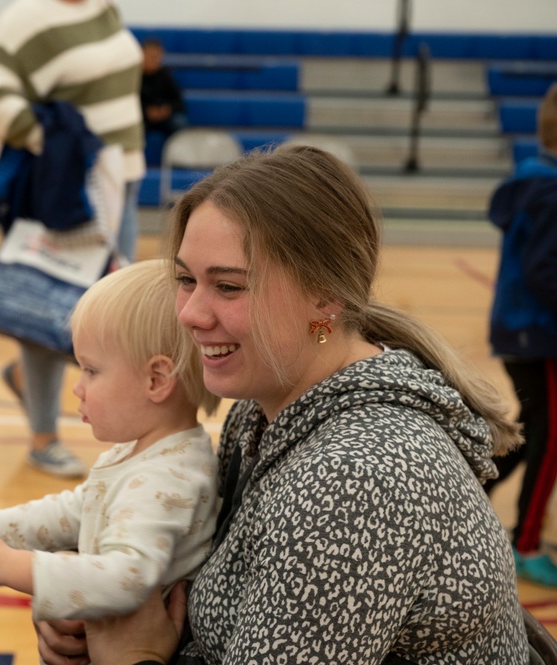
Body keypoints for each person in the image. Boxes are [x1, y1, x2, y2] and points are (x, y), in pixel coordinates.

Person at [38, 146, 530, 664]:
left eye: (227, 286)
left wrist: (132, 657)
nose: (189, 314)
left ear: (325, 298)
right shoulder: (260, 409)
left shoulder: (356, 481)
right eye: (185, 280)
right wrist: (98, 610)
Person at [0, 259, 221, 620]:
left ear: (157, 380)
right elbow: (73, 511)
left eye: (92, 371)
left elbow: (127, 579)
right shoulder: (148, 453)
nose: (77, 388)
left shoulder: (165, 478)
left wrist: (10, 566)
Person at [0, 0, 145, 478]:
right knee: (51, 308)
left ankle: (26, 379)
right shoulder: (26, 18)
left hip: (121, 180)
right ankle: (42, 437)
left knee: (111, 310)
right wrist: (57, 151)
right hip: (70, 192)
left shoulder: (104, 8)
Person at [482, 82, 557, 588]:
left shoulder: (533, 180)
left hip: (520, 331)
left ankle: (464, 492)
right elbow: (544, 270)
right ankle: (525, 544)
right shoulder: (551, 191)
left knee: (531, 429)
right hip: (541, 334)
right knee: (550, 438)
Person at [140, 38, 186, 138]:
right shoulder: (134, 77)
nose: (153, 60)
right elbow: (129, 103)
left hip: (165, 118)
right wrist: (146, 112)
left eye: (156, 56)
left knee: (179, 122)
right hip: (142, 117)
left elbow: (179, 102)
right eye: (150, 56)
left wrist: (167, 110)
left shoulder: (166, 76)